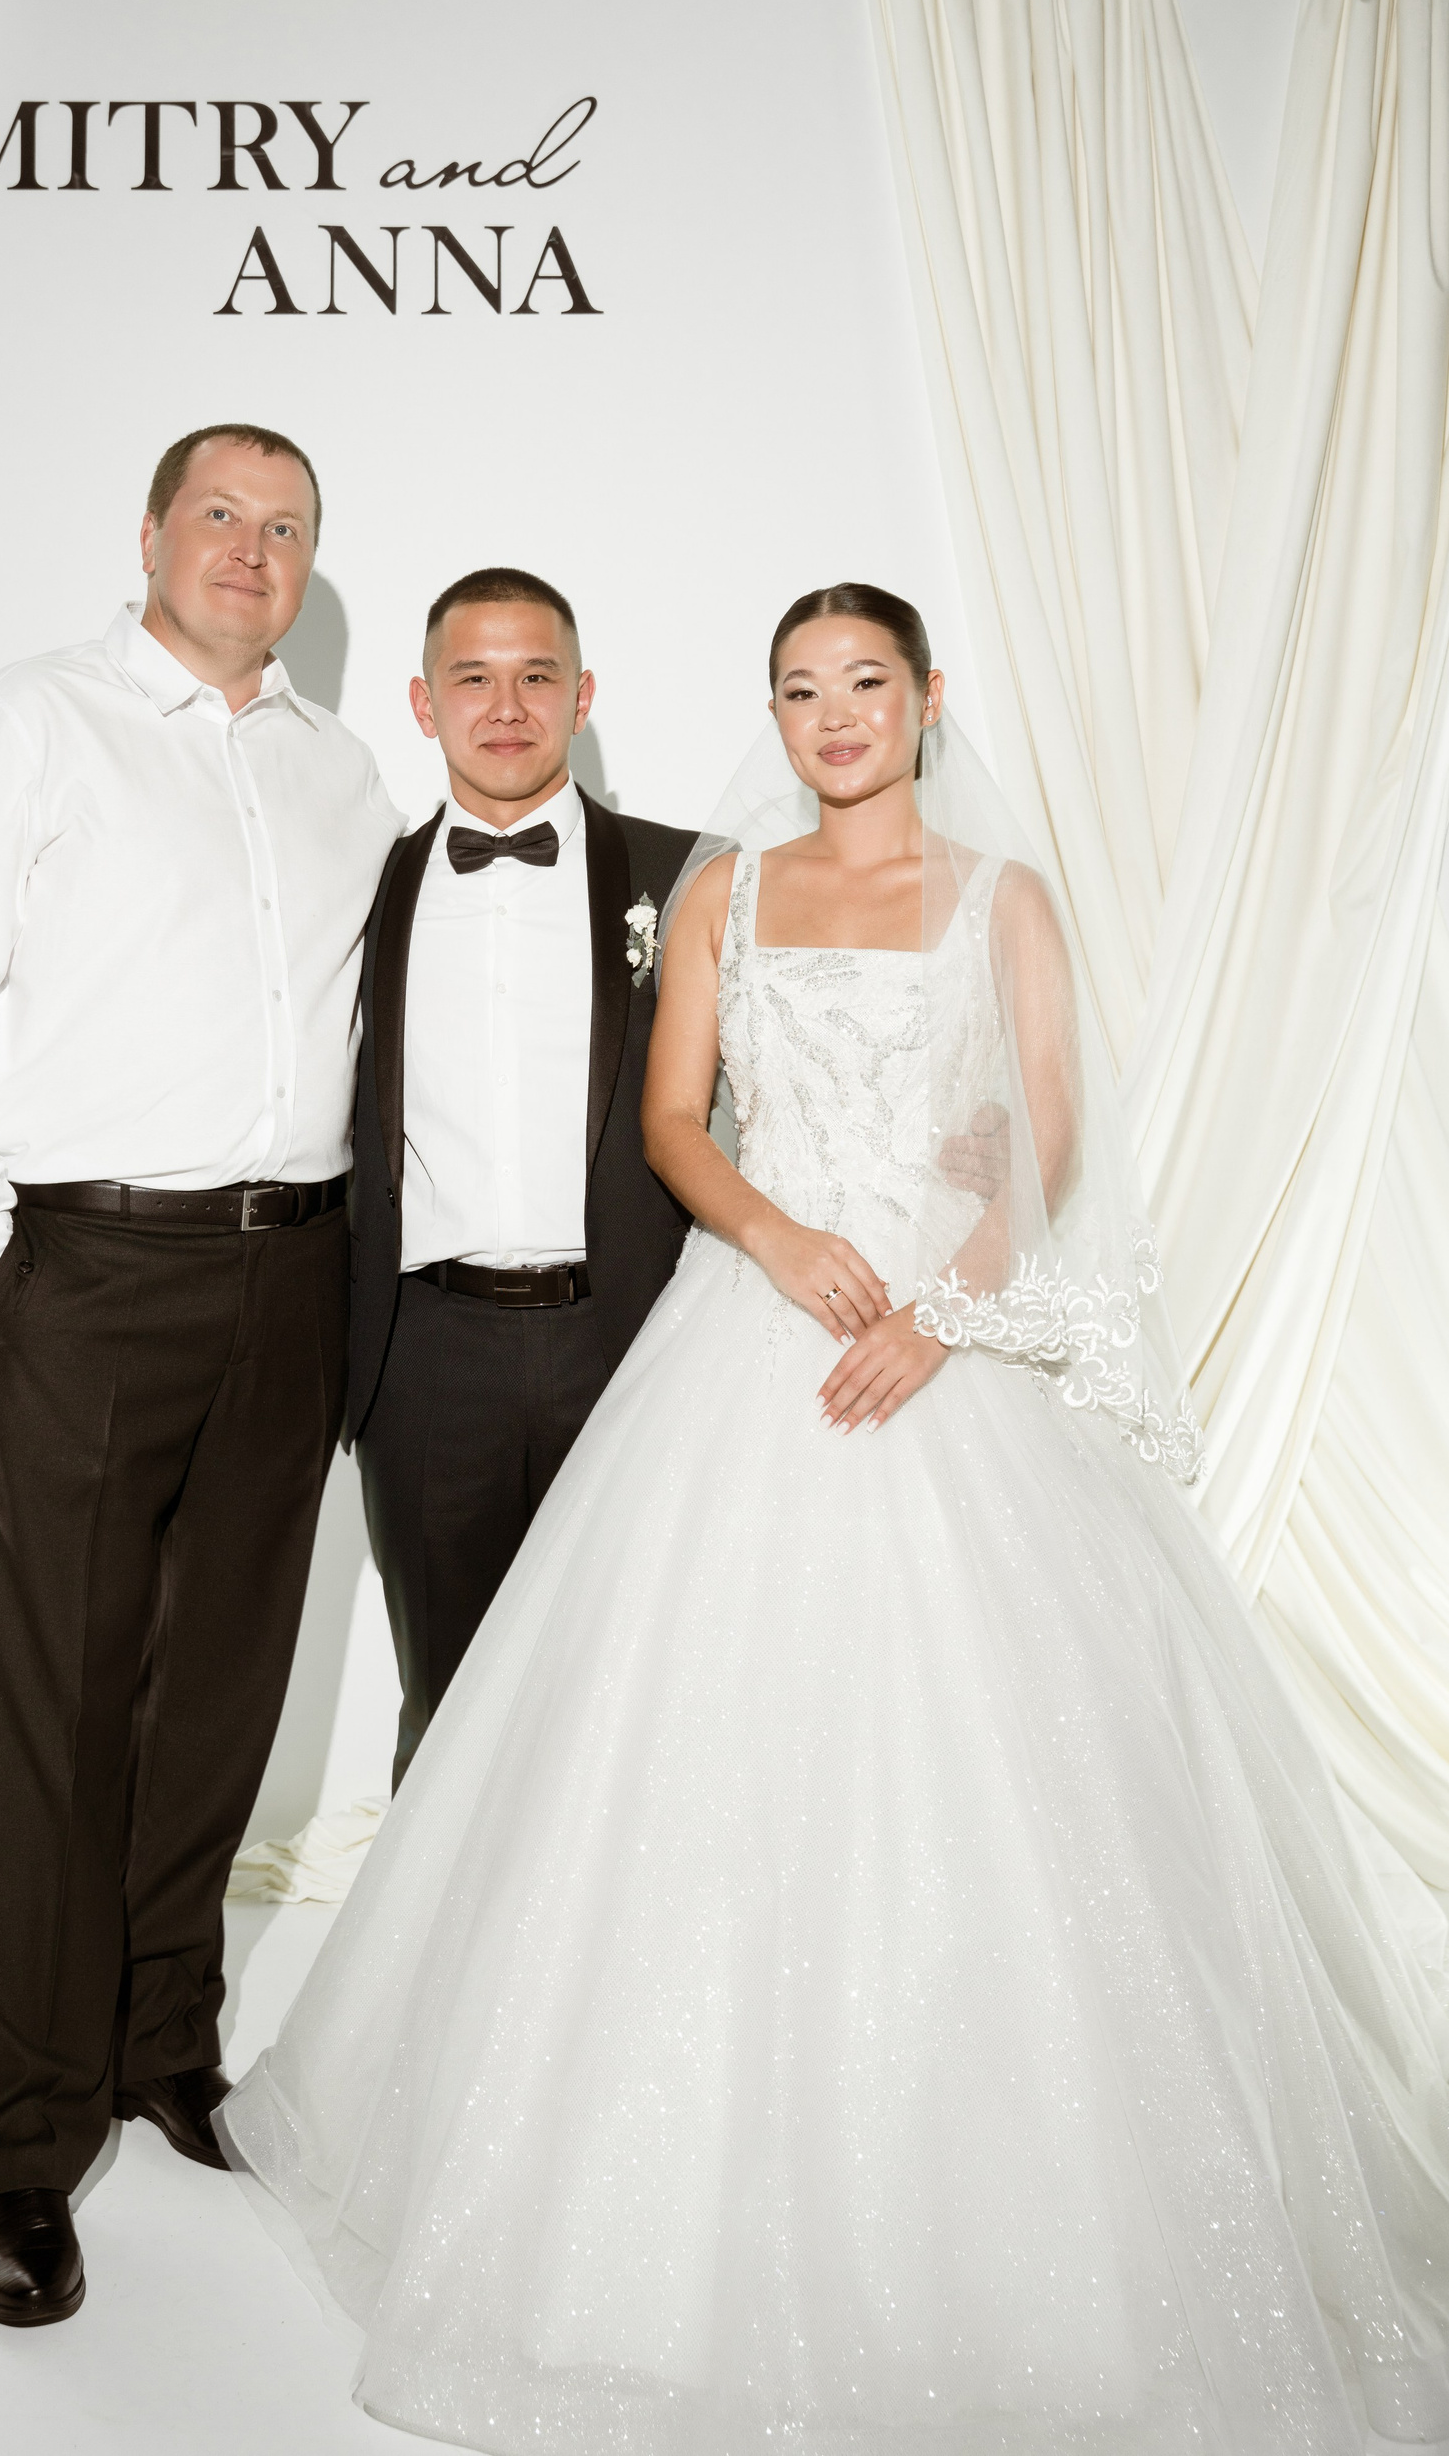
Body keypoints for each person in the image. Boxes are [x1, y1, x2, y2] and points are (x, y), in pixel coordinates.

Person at [220, 583, 1449, 2451]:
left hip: (938, 1341)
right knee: (676, 1742)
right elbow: (673, 1122)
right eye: (800, 691)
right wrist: (785, 1242)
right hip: (755, 1324)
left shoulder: (1002, 898)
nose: (835, 715)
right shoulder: (723, 889)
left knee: (996, 1758)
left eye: (866, 682)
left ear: (928, 698)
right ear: (775, 719)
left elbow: (1043, 1131)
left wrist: (941, 1318)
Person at [0, 424, 402, 2327]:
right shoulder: (31, 720)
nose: (253, 550)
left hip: (296, 1267)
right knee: (57, 1708)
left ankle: (164, 2042)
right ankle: (21, 2150)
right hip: (90, 1266)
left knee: (220, 1689)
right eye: (221, 516)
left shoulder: (342, 772)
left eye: (288, 527)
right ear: (153, 533)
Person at [347, 567, 696, 1787]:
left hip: (636, 1344)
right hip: (426, 1359)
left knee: (644, 1697)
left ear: (582, 696)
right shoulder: (360, 886)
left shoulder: (688, 878)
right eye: (473, 678)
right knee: (449, 1709)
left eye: (537, 676)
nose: (506, 707)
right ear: (422, 703)